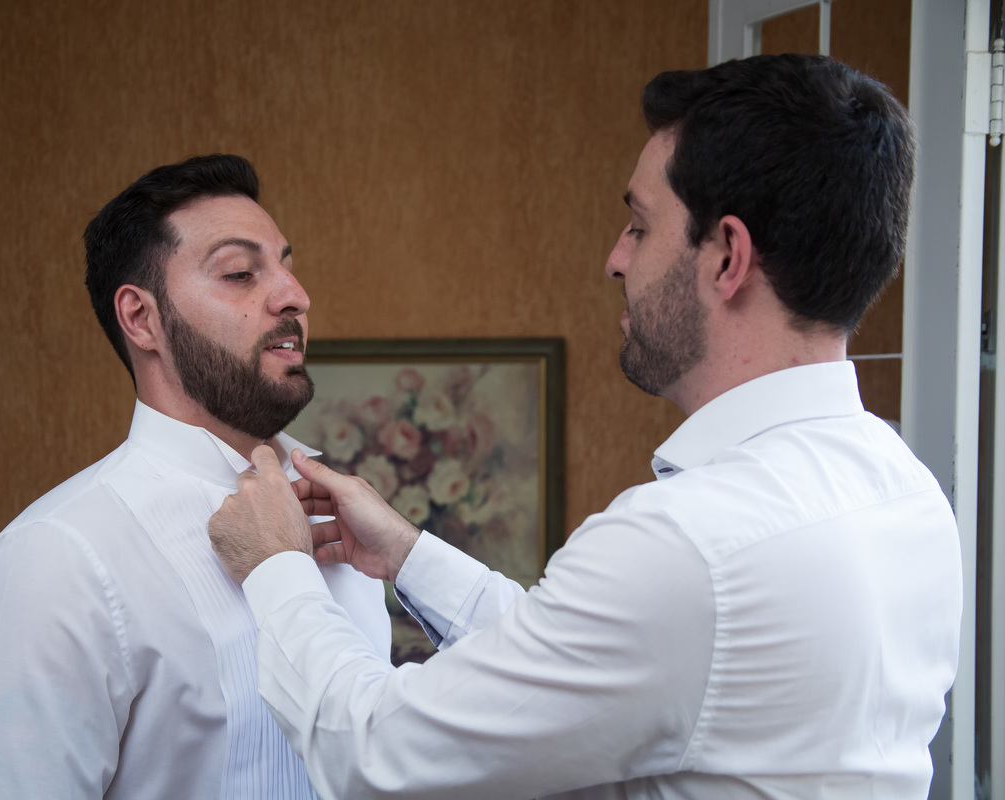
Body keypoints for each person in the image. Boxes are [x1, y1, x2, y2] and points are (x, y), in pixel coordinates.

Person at [208, 54, 964, 799]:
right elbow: (601, 665)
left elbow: (376, 756)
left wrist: (277, 568)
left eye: (639, 226)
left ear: (728, 257)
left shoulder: (689, 546)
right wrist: (409, 556)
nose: (615, 259)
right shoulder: (906, 493)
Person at [0, 154, 390, 798]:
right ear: (141, 319)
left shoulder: (342, 520)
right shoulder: (56, 558)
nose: (295, 296)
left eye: (286, 266)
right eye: (240, 273)